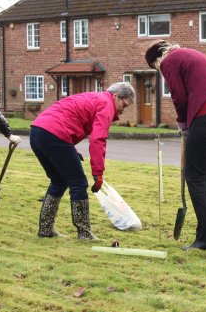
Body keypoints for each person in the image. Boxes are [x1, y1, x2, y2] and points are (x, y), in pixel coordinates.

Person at [145, 41, 206, 253]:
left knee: (194, 176)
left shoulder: (169, 61)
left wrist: (184, 127)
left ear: (157, 59)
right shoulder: (193, 54)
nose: (160, 72)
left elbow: (179, 97)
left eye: (155, 68)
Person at [30, 82, 135, 240]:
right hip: (54, 134)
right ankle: (84, 233)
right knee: (78, 183)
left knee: (59, 180)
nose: (122, 110)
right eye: (124, 104)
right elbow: (98, 139)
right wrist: (98, 173)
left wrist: (70, 150)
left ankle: (46, 229)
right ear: (115, 96)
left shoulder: (93, 97)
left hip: (37, 131)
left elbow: (67, 117)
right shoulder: (106, 104)